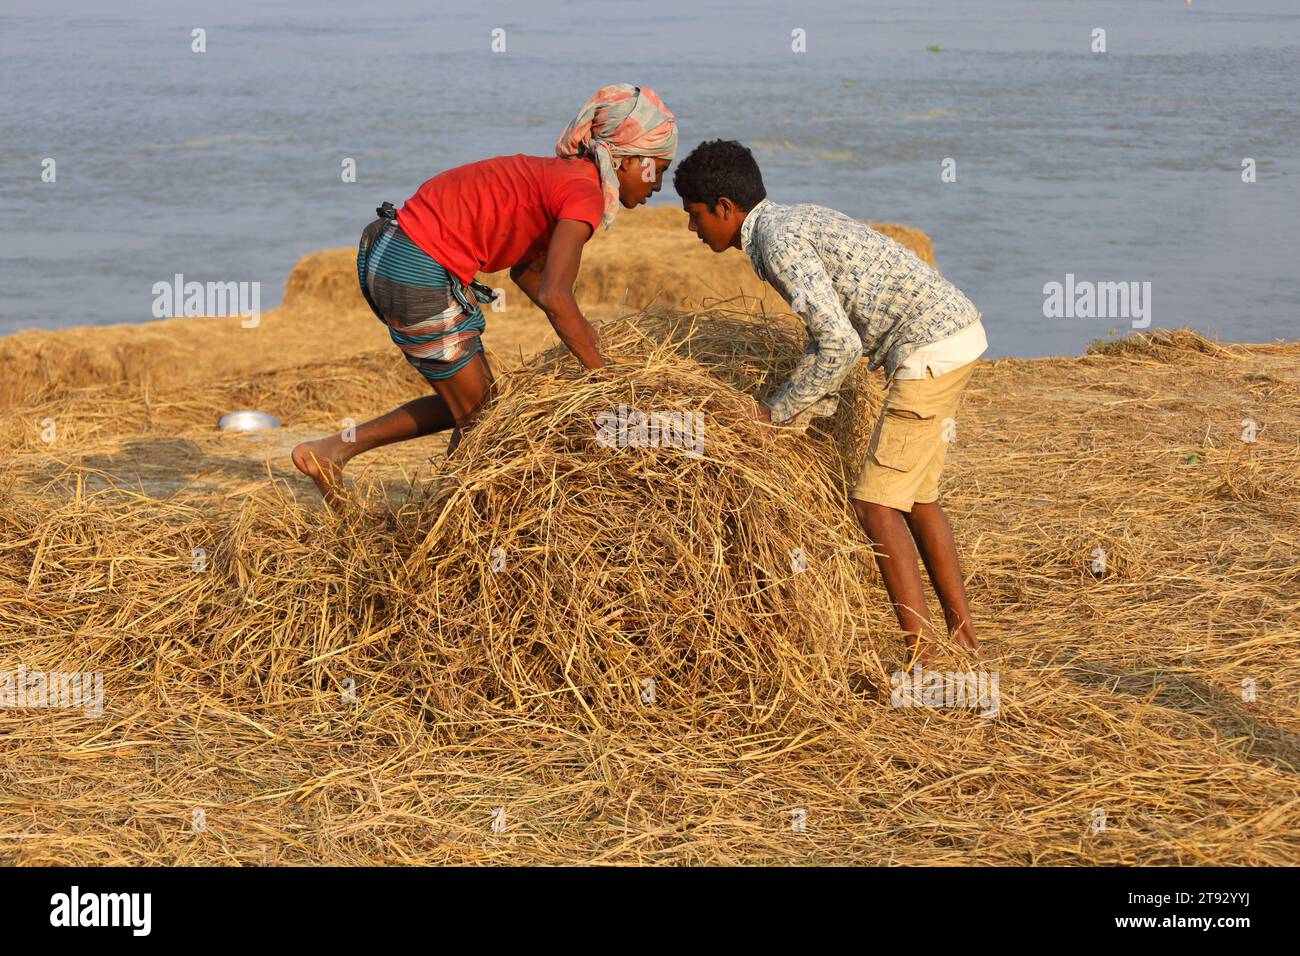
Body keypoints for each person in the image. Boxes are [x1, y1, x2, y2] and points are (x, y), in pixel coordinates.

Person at [673, 139, 987, 661]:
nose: (692, 229)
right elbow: (837, 334)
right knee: (918, 497)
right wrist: (809, 412)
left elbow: (838, 343)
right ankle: (963, 636)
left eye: (695, 214)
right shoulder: (789, 222)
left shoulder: (777, 244)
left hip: (929, 348)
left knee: (876, 504)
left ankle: (922, 656)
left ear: (726, 208)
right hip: (956, 332)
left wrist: (776, 413)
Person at [292, 84, 677, 505]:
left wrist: (586, 335)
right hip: (417, 265)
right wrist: (606, 379)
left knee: (475, 404)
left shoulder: (561, 178)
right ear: (624, 158)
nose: (657, 184)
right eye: (656, 168)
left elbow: (528, 273)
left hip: (393, 249)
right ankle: (450, 513)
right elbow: (554, 293)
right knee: (484, 418)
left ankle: (339, 455)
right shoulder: (582, 193)